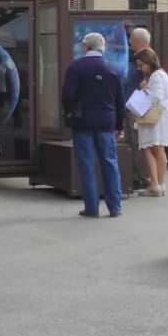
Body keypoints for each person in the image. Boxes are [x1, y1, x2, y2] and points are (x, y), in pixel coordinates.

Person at [61, 32, 123, 218]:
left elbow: (68, 95)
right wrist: (119, 125)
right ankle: (115, 206)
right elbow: (120, 101)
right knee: (110, 163)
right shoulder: (113, 69)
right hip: (107, 122)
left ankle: (92, 207)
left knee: (86, 165)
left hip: (83, 122)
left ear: (86, 46)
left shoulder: (76, 67)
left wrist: (71, 112)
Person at [128, 46, 168, 197]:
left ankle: (154, 183)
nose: (140, 69)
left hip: (155, 116)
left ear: (149, 62)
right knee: (159, 149)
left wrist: (144, 89)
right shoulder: (163, 74)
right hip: (164, 115)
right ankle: (160, 184)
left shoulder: (155, 76)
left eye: (142, 65)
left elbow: (156, 96)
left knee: (148, 148)